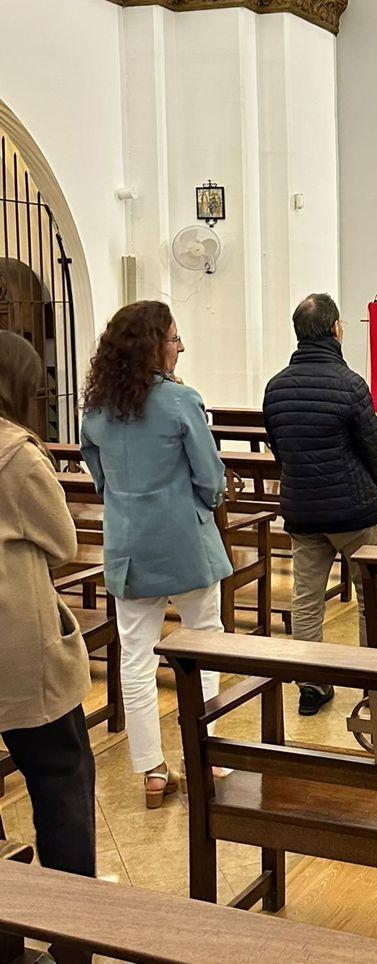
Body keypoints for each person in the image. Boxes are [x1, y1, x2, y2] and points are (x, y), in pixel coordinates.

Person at [81, 302, 232, 808]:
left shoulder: (97, 410)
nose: (180, 346)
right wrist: (202, 501)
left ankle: (151, 769)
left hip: (128, 544)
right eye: (173, 337)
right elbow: (210, 479)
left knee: (136, 655)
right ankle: (207, 756)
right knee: (206, 644)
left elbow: (100, 478)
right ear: (152, 345)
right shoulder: (180, 400)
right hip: (184, 540)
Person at [0, 333, 96, 890]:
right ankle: (72, 927)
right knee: (62, 777)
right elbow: (62, 542)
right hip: (18, 644)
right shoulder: (16, 453)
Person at [263, 294, 377, 716]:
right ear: (335, 329)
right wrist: (370, 488)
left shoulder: (276, 387)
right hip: (353, 510)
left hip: (304, 509)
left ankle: (312, 685)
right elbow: (373, 448)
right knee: (373, 594)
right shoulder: (350, 384)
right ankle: (373, 682)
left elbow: (280, 447)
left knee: (307, 598)